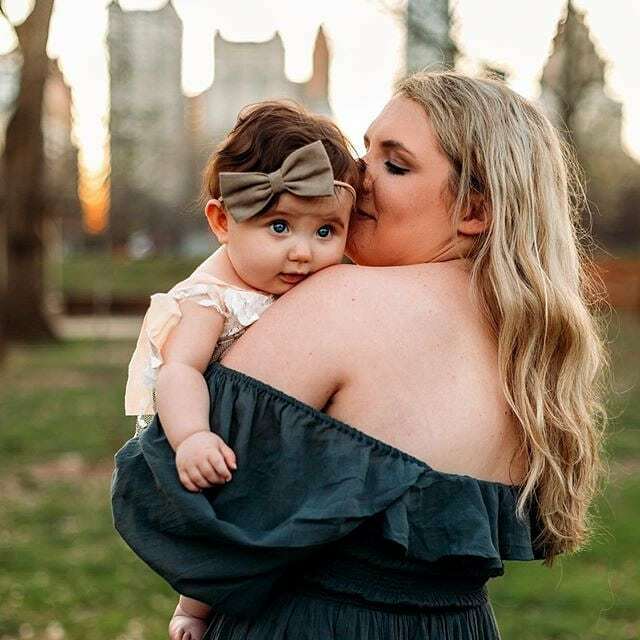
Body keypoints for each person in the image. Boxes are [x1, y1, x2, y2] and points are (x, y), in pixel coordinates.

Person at [112, 71, 607, 640]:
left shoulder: (341, 300)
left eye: (394, 165)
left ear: (474, 211)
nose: (353, 178)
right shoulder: (531, 351)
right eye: (362, 152)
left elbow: (174, 503)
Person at [121, 100, 358, 640]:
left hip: (286, 436)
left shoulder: (305, 281)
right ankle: (194, 609)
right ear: (222, 221)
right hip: (221, 438)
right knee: (226, 527)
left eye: (326, 231)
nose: (304, 252)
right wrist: (192, 438)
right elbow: (179, 370)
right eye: (279, 226)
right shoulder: (211, 298)